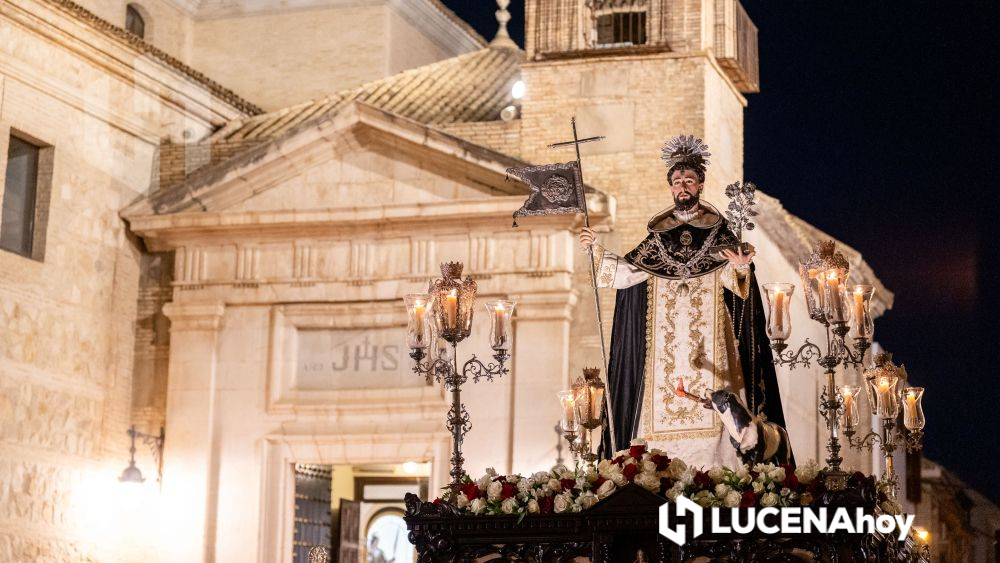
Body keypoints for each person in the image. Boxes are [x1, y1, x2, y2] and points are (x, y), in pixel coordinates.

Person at [580, 135, 790, 468]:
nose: (683, 187)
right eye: (677, 182)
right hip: (663, 362)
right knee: (656, 418)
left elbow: (737, 288)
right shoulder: (657, 239)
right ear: (671, 188)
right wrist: (596, 250)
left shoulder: (721, 237)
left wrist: (739, 269)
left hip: (712, 350)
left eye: (688, 180)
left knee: (723, 407)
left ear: (700, 185)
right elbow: (628, 274)